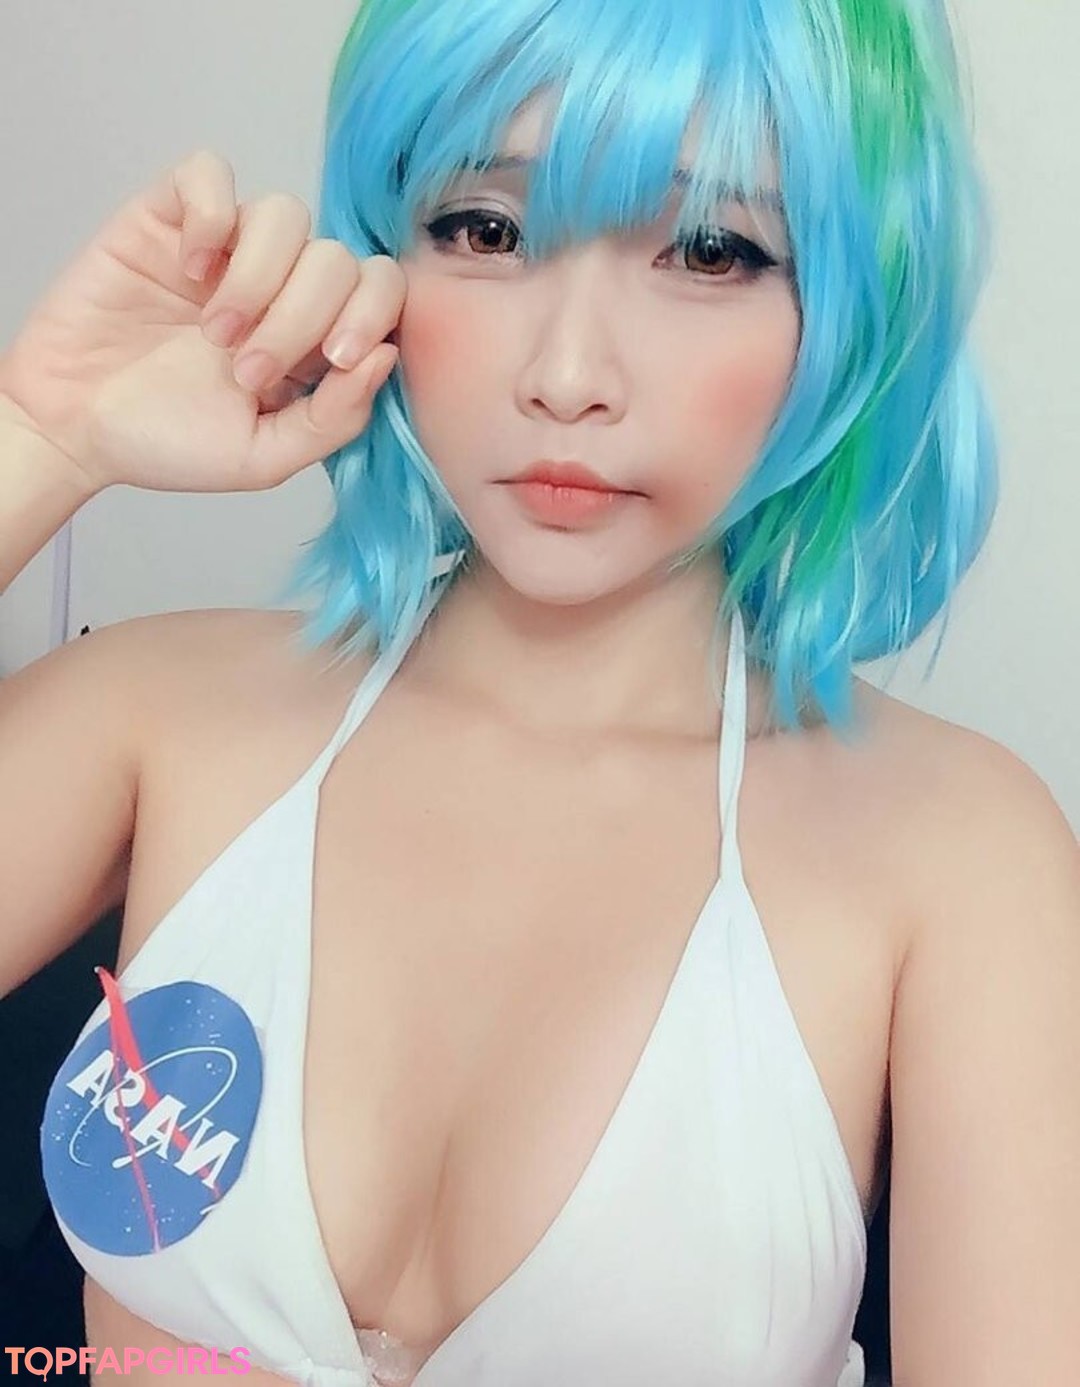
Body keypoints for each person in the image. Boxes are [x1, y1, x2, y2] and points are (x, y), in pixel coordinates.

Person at [1, 0, 1077, 1385]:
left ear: (848, 307)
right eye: (486, 230)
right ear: (382, 258)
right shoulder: (159, 713)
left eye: (711, 250)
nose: (568, 379)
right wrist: (40, 443)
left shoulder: (959, 856)